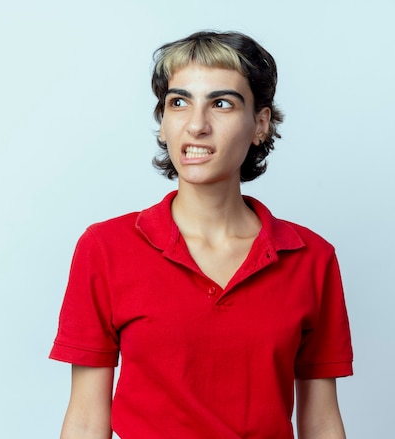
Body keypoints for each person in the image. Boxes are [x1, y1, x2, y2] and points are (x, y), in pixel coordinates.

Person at [50, 30, 353, 439]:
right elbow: (86, 420)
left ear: (260, 124)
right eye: (179, 103)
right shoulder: (105, 248)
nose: (196, 125)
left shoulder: (310, 257)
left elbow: (321, 422)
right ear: (163, 123)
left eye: (222, 104)